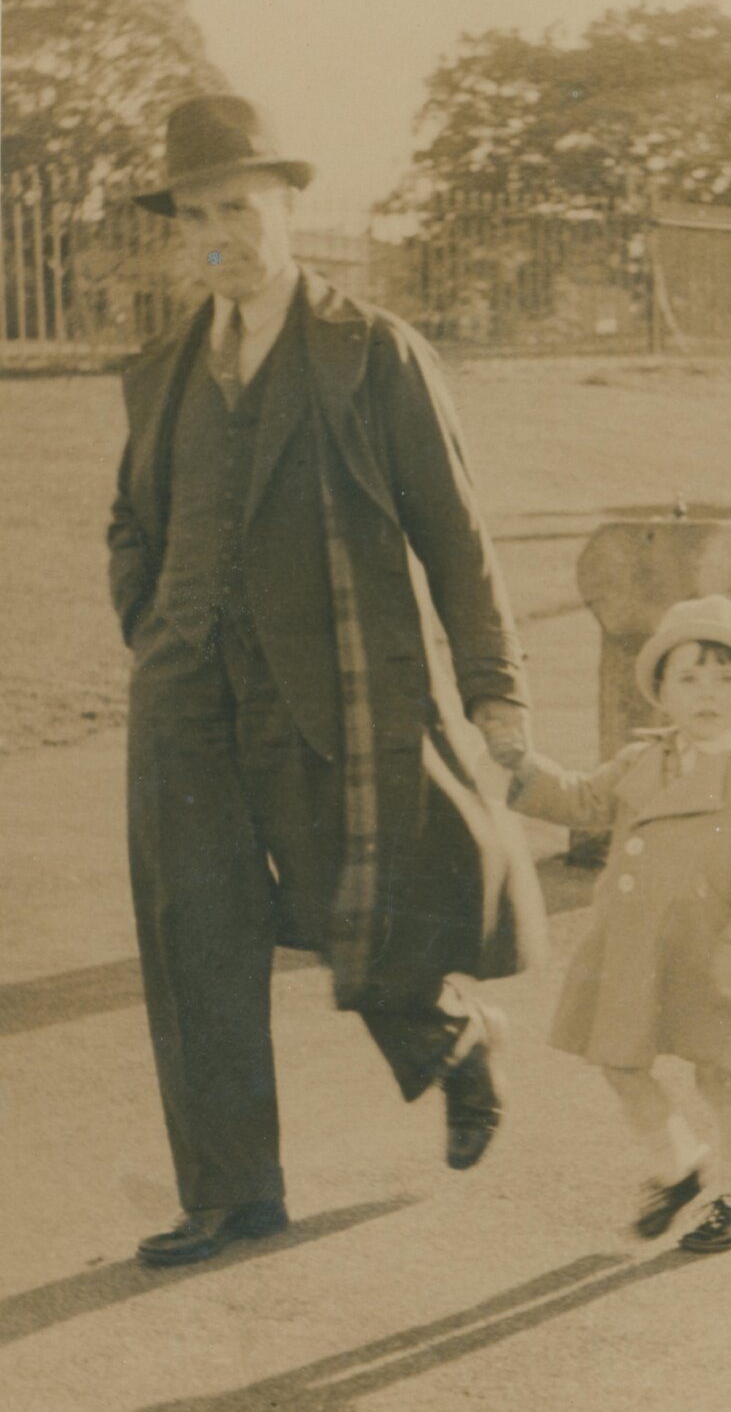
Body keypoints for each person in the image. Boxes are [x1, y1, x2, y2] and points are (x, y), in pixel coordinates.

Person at [109, 94, 543, 1268]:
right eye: (195, 212)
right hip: (186, 690)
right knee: (192, 929)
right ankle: (233, 1191)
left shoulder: (370, 350)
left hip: (336, 682)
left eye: (237, 206)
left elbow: (452, 531)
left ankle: (450, 1040)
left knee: (362, 902)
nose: (218, 231)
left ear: (287, 207)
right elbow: (131, 517)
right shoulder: (160, 370)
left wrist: (493, 683)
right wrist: (150, 625)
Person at [496, 595, 731, 1253]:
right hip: (640, 949)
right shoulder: (640, 761)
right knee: (618, 1059)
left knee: (719, 1078)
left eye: (726, 677)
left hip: (721, 954)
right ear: (661, 695)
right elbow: (581, 800)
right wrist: (518, 768)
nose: (707, 692)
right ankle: (679, 1167)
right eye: (689, 678)